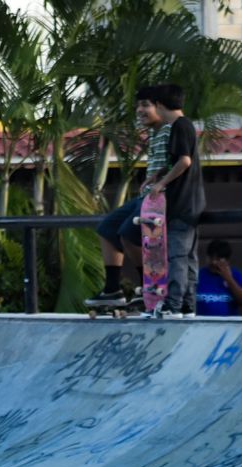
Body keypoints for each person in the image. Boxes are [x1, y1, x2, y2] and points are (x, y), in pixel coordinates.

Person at [91, 83, 204, 318]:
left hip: (164, 200)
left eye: (146, 105)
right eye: (137, 107)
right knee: (107, 227)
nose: (139, 111)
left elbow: (183, 161)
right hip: (150, 196)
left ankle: (157, 291)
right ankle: (113, 289)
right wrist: (157, 176)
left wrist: (161, 183)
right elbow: (173, 162)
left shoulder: (175, 126)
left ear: (160, 106)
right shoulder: (159, 131)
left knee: (137, 236)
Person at [195, 239, 242, 317]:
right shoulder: (197, 275)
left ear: (227, 260)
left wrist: (229, 279)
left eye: (218, 259)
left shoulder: (236, 275)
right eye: (211, 258)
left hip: (228, 327)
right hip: (200, 325)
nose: (213, 262)